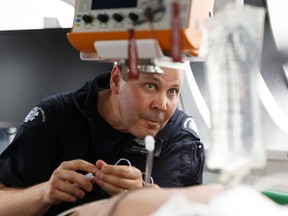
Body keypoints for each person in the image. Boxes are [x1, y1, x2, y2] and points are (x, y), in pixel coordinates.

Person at [0, 61, 204, 215]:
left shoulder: (180, 137)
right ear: (116, 80)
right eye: (150, 86)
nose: (162, 105)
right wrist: (44, 193)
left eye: (173, 91)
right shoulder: (54, 116)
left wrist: (144, 199)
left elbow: (190, 210)